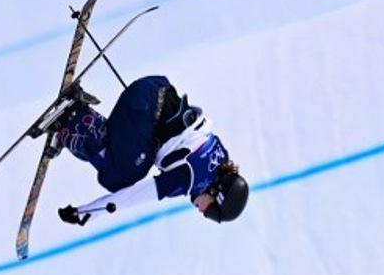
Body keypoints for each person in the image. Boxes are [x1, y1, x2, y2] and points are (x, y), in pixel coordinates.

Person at [51, 75, 249, 226]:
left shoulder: (219, 159)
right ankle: (72, 121)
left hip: (152, 91)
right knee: (118, 178)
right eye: (211, 212)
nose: (203, 213)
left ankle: (82, 121)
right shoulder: (191, 177)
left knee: (133, 160)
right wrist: (87, 212)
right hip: (143, 106)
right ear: (216, 192)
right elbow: (135, 195)